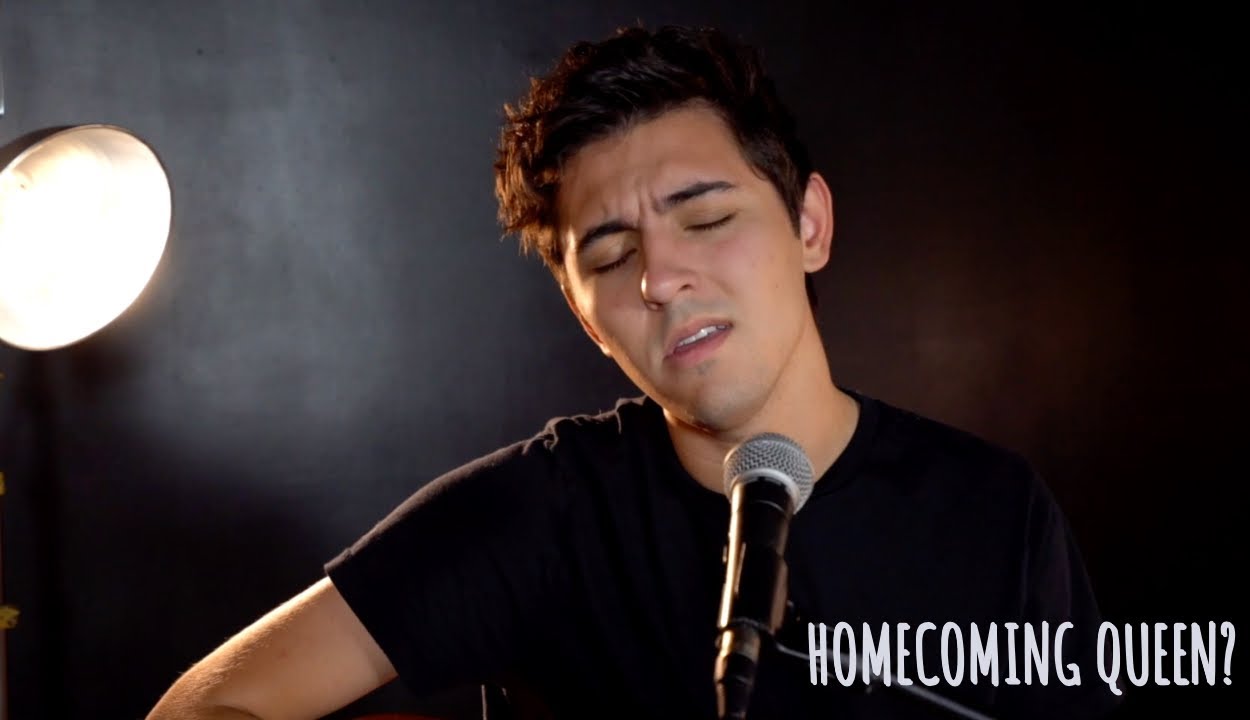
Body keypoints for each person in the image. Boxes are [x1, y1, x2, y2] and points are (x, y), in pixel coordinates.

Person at [147, 23, 1122, 720]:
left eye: (707, 218)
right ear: (585, 316)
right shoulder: (542, 515)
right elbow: (207, 705)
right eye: (612, 258)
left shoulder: (992, 512)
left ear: (809, 225)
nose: (660, 279)